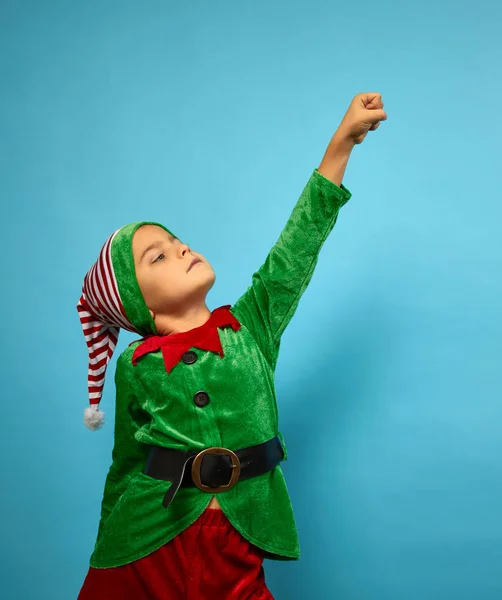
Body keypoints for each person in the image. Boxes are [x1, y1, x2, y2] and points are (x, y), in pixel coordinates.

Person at [76, 93, 387, 600]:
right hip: (148, 537)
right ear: (141, 309)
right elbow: (126, 464)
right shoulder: (134, 366)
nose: (180, 248)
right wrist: (107, 547)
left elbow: (296, 250)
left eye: (176, 242)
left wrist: (340, 146)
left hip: (237, 535)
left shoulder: (251, 327)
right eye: (158, 258)